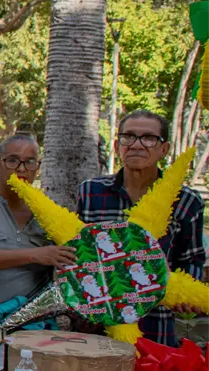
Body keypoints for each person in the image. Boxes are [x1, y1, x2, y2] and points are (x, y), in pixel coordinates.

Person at [77, 110, 205, 345]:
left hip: (157, 326)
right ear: (117, 145)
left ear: (163, 149)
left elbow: (192, 259)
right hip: (98, 326)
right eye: (129, 137)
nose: (136, 145)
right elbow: (77, 254)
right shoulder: (90, 192)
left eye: (148, 138)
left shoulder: (186, 201)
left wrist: (187, 295)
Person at [0, 134, 76, 322]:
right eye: (12, 161)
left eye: (30, 162)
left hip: (33, 322)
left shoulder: (50, 212)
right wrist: (37, 255)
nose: (21, 169)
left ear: (38, 167)